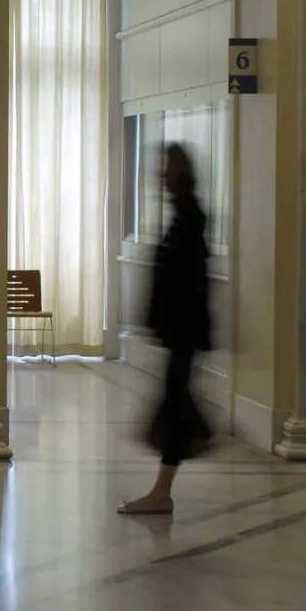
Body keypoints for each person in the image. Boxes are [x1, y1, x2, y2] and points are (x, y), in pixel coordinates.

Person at [119, 143, 213, 515]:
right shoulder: (182, 214)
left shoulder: (190, 216)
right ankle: (166, 483)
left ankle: (163, 490)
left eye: (164, 167)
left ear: (177, 172)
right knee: (177, 400)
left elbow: (188, 279)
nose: (158, 175)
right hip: (181, 331)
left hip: (185, 331)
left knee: (176, 403)